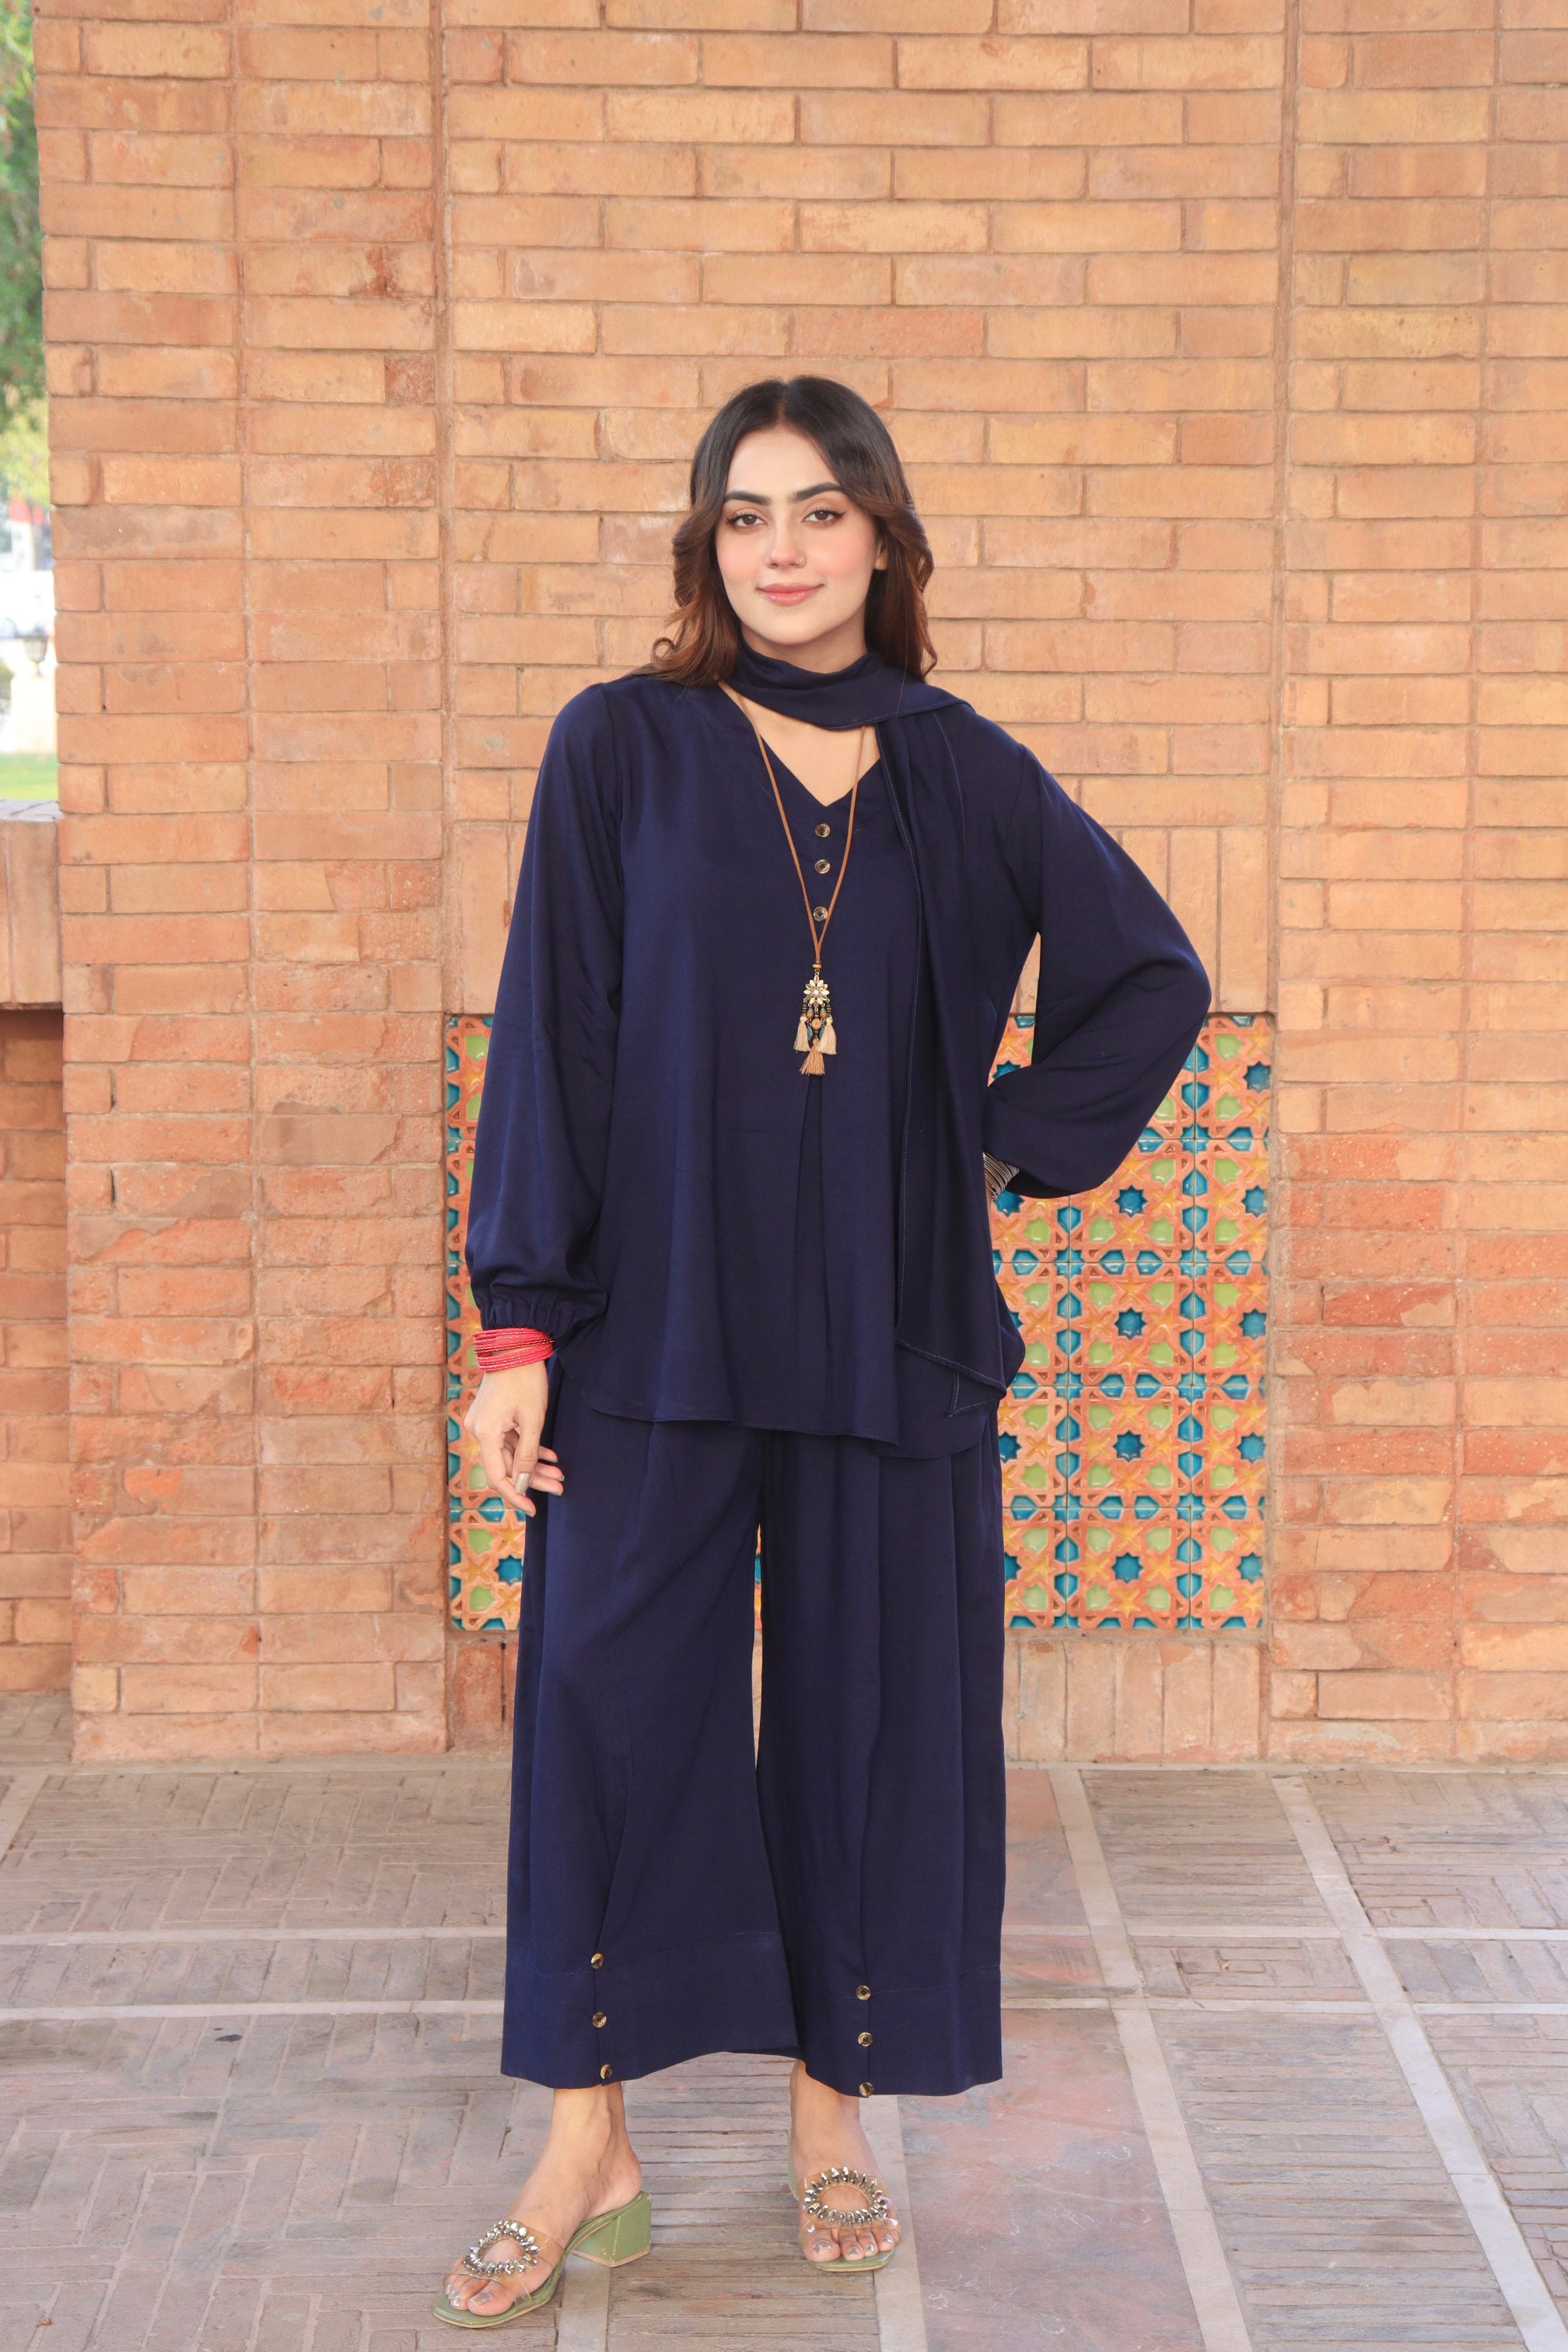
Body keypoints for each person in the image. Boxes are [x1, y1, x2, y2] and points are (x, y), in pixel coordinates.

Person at [436, 376, 1209, 2326]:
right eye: (745, 515)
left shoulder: (967, 771)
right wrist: (518, 1323)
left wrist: (997, 1142)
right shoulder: (621, 746)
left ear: (883, 536)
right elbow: (554, 1035)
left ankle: (830, 2112)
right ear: (707, 544)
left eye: (819, 512)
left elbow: (1152, 975)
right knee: (606, 1713)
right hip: (652, 1327)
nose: (780, 551)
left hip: (893, 1335)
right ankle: (585, 2139)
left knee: (871, 1725)